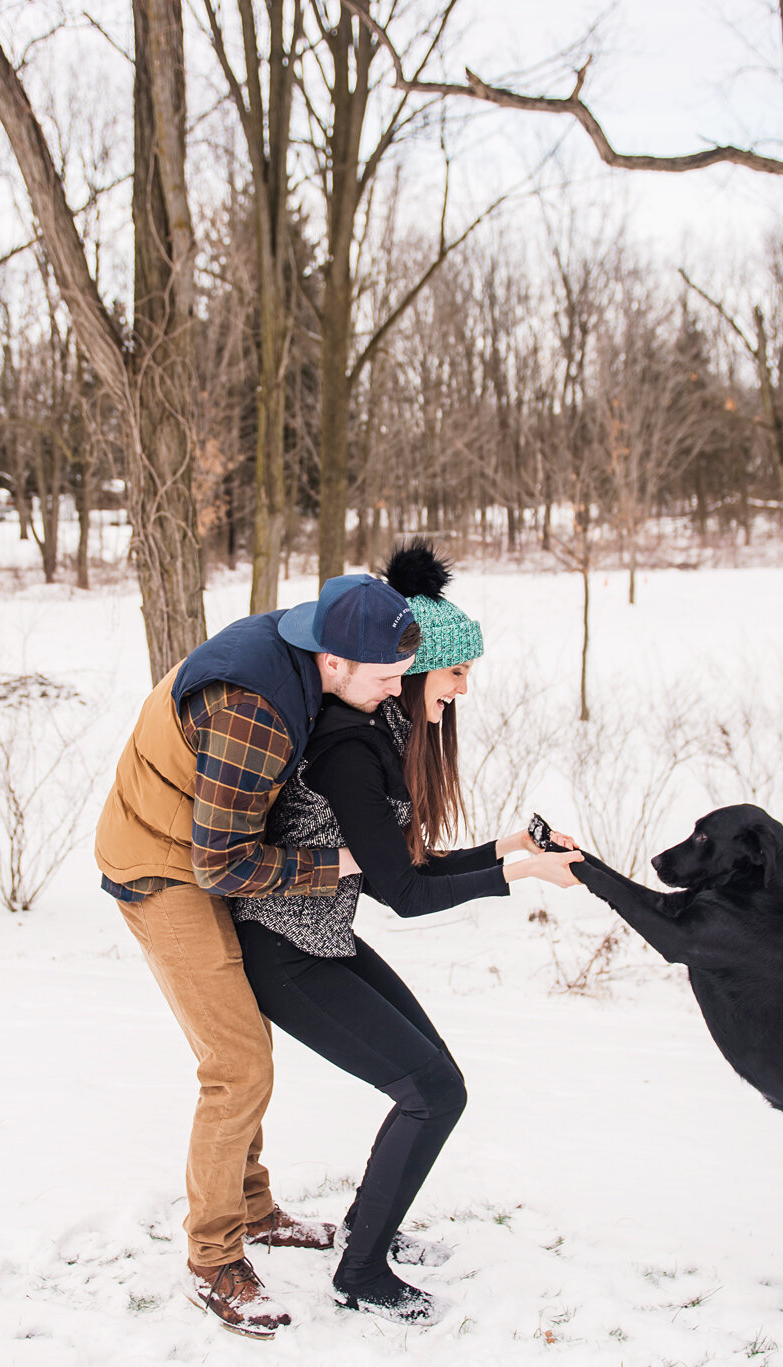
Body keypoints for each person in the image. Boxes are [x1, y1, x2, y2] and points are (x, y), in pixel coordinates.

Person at [229, 541, 583, 1325]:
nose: (461, 690)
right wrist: (518, 878)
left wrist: (507, 848)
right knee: (433, 1091)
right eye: (454, 673)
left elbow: (401, 862)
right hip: (284, 953)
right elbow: (405, 894)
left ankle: (370, 1228)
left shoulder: (377, 732)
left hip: (320, 937)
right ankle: (361, 1272)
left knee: (436, 1082)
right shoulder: (351, 748)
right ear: (414, 671)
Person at [92, 571, 422, 1340]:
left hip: (194, 841)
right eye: (385, 681)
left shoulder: (310, 647)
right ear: (334, 662)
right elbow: (222, 864)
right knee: (237, 1062)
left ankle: (251, 1203)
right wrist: (334, 866)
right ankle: (213, 1256)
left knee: (247, 1043)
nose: (392, 694)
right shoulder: (256, 712)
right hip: (162, 865)